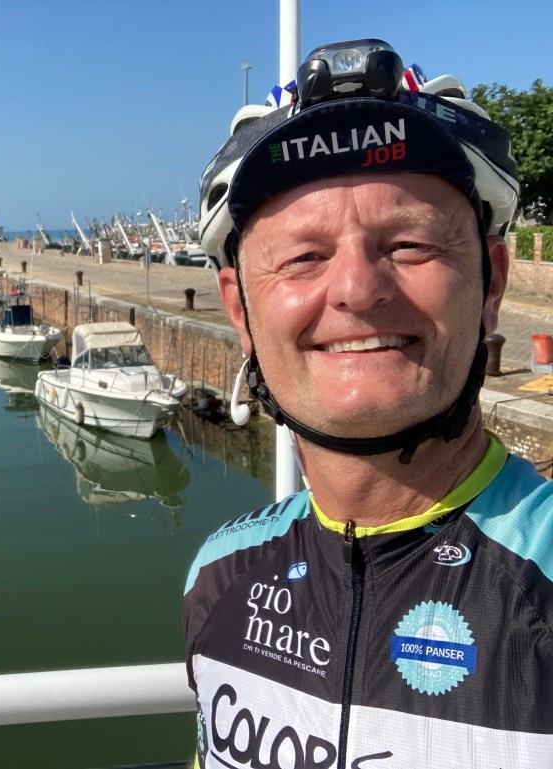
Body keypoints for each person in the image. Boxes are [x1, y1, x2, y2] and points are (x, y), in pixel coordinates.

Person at [183, 39, 553, 767]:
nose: (357, 289)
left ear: (492, 282)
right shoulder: (219, 572)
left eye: (409, 244)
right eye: (304, 257)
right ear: (239, 309)